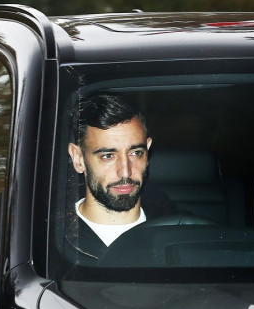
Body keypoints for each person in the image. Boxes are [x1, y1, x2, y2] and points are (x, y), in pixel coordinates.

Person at [64, 92, 174, 264]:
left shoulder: (178, 232)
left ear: (148, 148)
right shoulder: (50, 243)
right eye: (108, 156)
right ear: (78, 159)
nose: (125, 172)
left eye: (136, 153)